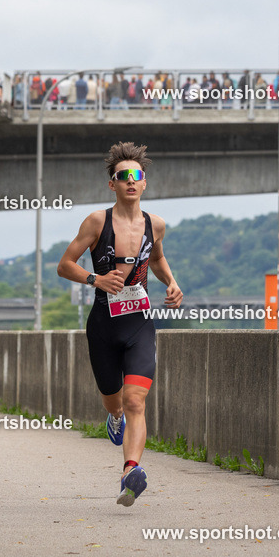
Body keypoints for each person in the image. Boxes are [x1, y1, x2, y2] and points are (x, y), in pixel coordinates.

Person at [57, 142, 182, 507]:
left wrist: (171, 283)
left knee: (136, 401)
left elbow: (156, 259)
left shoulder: (155, 225)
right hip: (103, 326)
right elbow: (65, 265)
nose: (130, 181)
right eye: (122, 176)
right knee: (114, 402)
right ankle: (113, 418)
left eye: (136, 175)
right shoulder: (97, 222)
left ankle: (131, 471)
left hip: (139, 323)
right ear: (112, 184)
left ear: (144, 183)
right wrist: (95, 280)